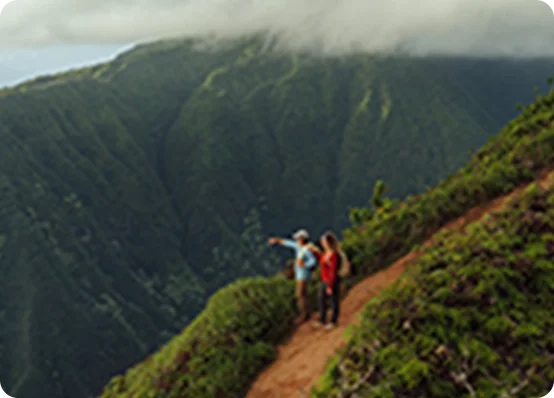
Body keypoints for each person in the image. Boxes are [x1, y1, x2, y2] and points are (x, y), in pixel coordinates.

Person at [269, 229, 317, 324]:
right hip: (300, 275)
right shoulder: (299, 247)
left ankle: (305, 315)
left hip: (303, 275)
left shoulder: (306, 250)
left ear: (301, 239)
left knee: (300, 294)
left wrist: (304, 264)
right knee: (303, 294)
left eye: (297, 238)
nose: (296, 240)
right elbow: (287, 243)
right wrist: (277, 240)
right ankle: (307, 312)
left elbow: (313, 261)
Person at [313, 231, 342, 330]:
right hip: (325, 280)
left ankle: (333, 321)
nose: (322, 243)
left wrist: (330, 285)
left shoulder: (334, 255)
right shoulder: (325, 254)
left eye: (323, 241)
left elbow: (333, 271)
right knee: (321, 298)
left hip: (332, 280)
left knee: (333, 300)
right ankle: (323, 319)